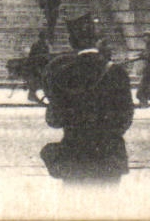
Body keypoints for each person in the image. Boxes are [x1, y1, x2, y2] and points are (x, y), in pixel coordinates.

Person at [40, 14, 135, 184]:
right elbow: (126, 116)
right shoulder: (117, 72)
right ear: (97, 41)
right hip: (109, 156)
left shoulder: (63, 73)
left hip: (75, 156)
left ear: (72, 42)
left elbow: (54, 120)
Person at [25, 29, 53, 103]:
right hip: (36, 65)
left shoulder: (45, 45)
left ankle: (33, 95)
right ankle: (32, 95)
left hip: (42, 65)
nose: (44, 39)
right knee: (38, 80)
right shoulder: (38, 45)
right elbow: (32, 56)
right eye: (44, 37)